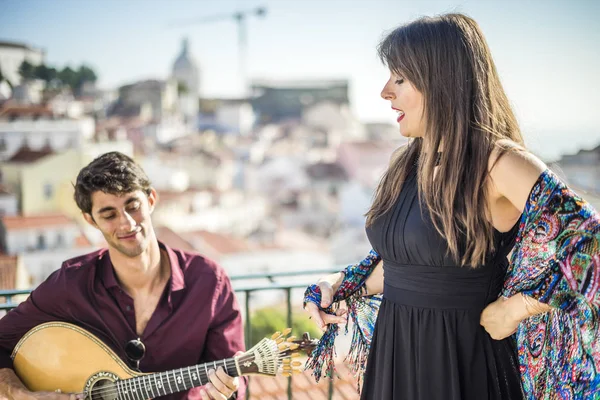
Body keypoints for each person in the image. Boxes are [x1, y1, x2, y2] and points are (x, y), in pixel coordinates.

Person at [304, 13, 599, 400]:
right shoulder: (408, 163)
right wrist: (337, 283)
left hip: (464, 366)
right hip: (394, 365)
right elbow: (404, 267)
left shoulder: (498, 162)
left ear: (439, 82)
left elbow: (590, 245)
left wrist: (514, 310)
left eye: (399, 78)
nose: (384, 92)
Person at [0, 151, 246, 400]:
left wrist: (228, 390)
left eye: (133, 206)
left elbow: (235, 377)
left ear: (151, 200)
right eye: (109, 215)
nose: (127, 224)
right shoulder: (70, 285)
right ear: (91, 220)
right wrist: (21, 395)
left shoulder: (209, 282)